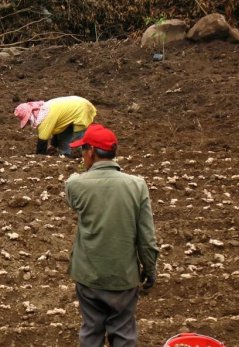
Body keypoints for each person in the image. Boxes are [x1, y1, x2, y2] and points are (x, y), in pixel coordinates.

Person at [64, 124, 159, 347]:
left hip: (89, 275)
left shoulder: (75, 184)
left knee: (91, 330)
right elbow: (147, 236)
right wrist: (150, 270)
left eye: (82, 150)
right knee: (124, 332)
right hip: (123, 277)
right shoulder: (137, 186)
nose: (82, 155)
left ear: (91, 152)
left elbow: (75, 196)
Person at [13, 95, 97, 157]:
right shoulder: (44, 110)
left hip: (81, 109)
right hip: (75, 107)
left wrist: (39, 157)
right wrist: (53, 145)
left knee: (78, 139)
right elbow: (58, 129)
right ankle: (66, 155)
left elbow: (42, 142)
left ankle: (84, 156)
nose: (28, 124)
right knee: (63, 136)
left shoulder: (45, 119)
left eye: (27, 121)